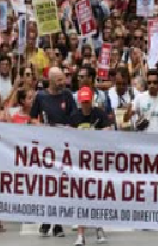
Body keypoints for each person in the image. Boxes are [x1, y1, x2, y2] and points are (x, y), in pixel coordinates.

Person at [30, 67, 75, 237]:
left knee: (61, 185)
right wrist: (40, 126)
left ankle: (57, 224)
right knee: (48, 185)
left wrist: (68, 127)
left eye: (63, 79)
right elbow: (32, 118)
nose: (63, 83)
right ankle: (48, 219)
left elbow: (74, 115)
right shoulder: (41, 97)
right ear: (50, 80)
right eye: (59, 80)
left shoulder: (67, 95)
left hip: (63, 147)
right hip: (46, 147)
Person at [70, 87, 111, 245]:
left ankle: (99, 229)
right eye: (83, 101)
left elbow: (108, 129)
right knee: (81, 197)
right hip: (80, 163)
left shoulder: (99, 114)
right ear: (80, 101)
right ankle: (81, 234)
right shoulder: (75, 116)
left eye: (88, 101)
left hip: (97, 162)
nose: (86, 104)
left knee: (98, 196)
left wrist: (97, 131)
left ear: (92, 100)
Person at [124, 69, 158, 133]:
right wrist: (128, 112)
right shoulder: (139, 97)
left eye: (155, 82)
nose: (152, 85)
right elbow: (126, 119)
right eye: (149, 82)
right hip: (143, 139)